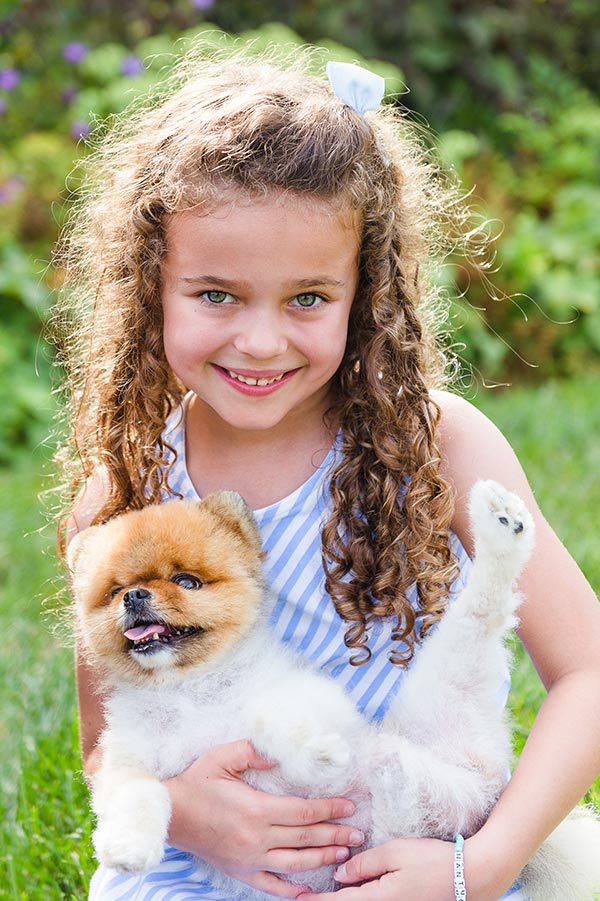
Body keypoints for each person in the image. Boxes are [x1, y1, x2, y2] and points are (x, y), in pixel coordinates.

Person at [55, 43, 600, 901]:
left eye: (307, 297)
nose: (260, 340)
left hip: (413, 863)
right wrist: (190, 815)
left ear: (365, 292)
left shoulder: (439, 446)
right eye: (216, 293)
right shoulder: (125, 492)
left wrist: (481, 866)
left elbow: (587, 673)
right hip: (204, 875)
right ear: (151, 283)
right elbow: (105, 743)